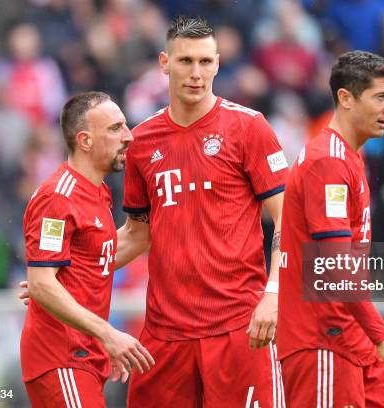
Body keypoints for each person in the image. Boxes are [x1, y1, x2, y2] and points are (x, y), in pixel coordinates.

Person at [118, 16, 288, 407]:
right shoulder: (141, 142)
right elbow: (136, 233)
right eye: (185, 61)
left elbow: (288, 218)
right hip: (164, 334)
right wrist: (69, 268)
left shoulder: (249, 127)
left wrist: (273, 295)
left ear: (218, 63)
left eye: (205, 62)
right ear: (164, 63)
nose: (197, 73)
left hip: (239, 326)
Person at [276, 51, 384, 407]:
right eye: (381, 97)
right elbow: (336, 267)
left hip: (350, 336)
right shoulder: (328, 163)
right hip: (323, 340)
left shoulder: (348, 157)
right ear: (345, 98)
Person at [21, 91, 154, 408]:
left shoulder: (98, 193)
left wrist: (54, 281)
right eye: (115, 128)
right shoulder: (58, 197)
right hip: (61, 357)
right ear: (85, 140)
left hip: (84, 357)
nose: (128, 136)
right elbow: (42, 283)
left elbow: (96, 256)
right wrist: (110, 335)